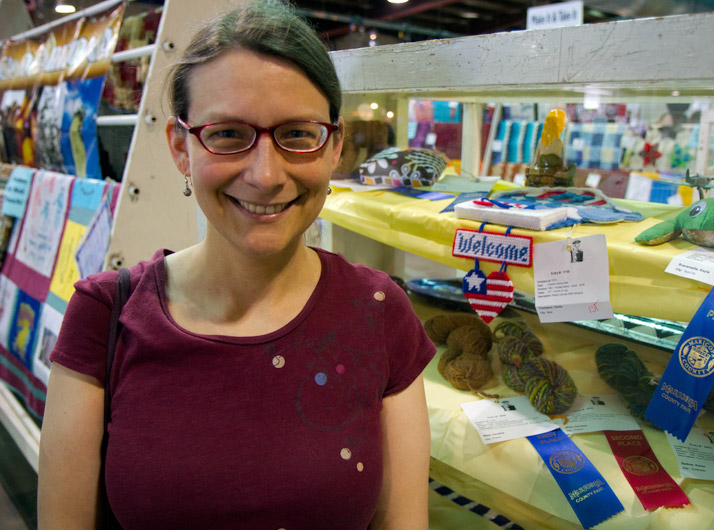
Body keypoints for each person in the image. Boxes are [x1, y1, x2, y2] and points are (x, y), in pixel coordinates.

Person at [37, 1, 436, 529]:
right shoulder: (105, 315)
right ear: (181, 147)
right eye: (227, 134)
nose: (266, 175)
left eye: (297, 134)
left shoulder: (379, 312)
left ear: (334, 146)